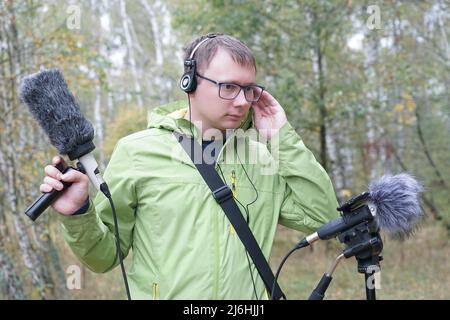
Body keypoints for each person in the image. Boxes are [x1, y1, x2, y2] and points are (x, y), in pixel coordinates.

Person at [40, 33, 339, 299]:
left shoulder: (264, 157)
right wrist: (79, 213)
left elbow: (322, 217)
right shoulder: (137, 152)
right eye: (228, 87)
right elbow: (105, 256)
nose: (241, 101)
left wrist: (281, 137)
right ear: (190, 81)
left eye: (248, 89)